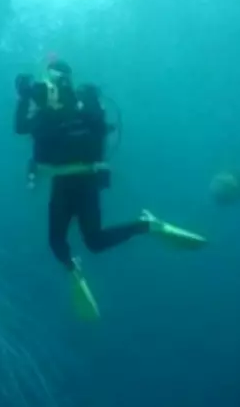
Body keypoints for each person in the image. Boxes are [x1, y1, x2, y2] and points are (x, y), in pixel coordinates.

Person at [14, 59, 207, 319]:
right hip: (64, 182)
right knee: (63, 242)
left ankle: (148, 225)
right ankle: (74, 268)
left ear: (68, 80)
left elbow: (94, 122)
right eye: (50, 80)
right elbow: (21, 129)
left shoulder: (83, 101)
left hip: (85, 180)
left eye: (58, 79)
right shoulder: (45, 111)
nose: (53, 86)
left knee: (91, 241)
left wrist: (63, 101)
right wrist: (24, 97)